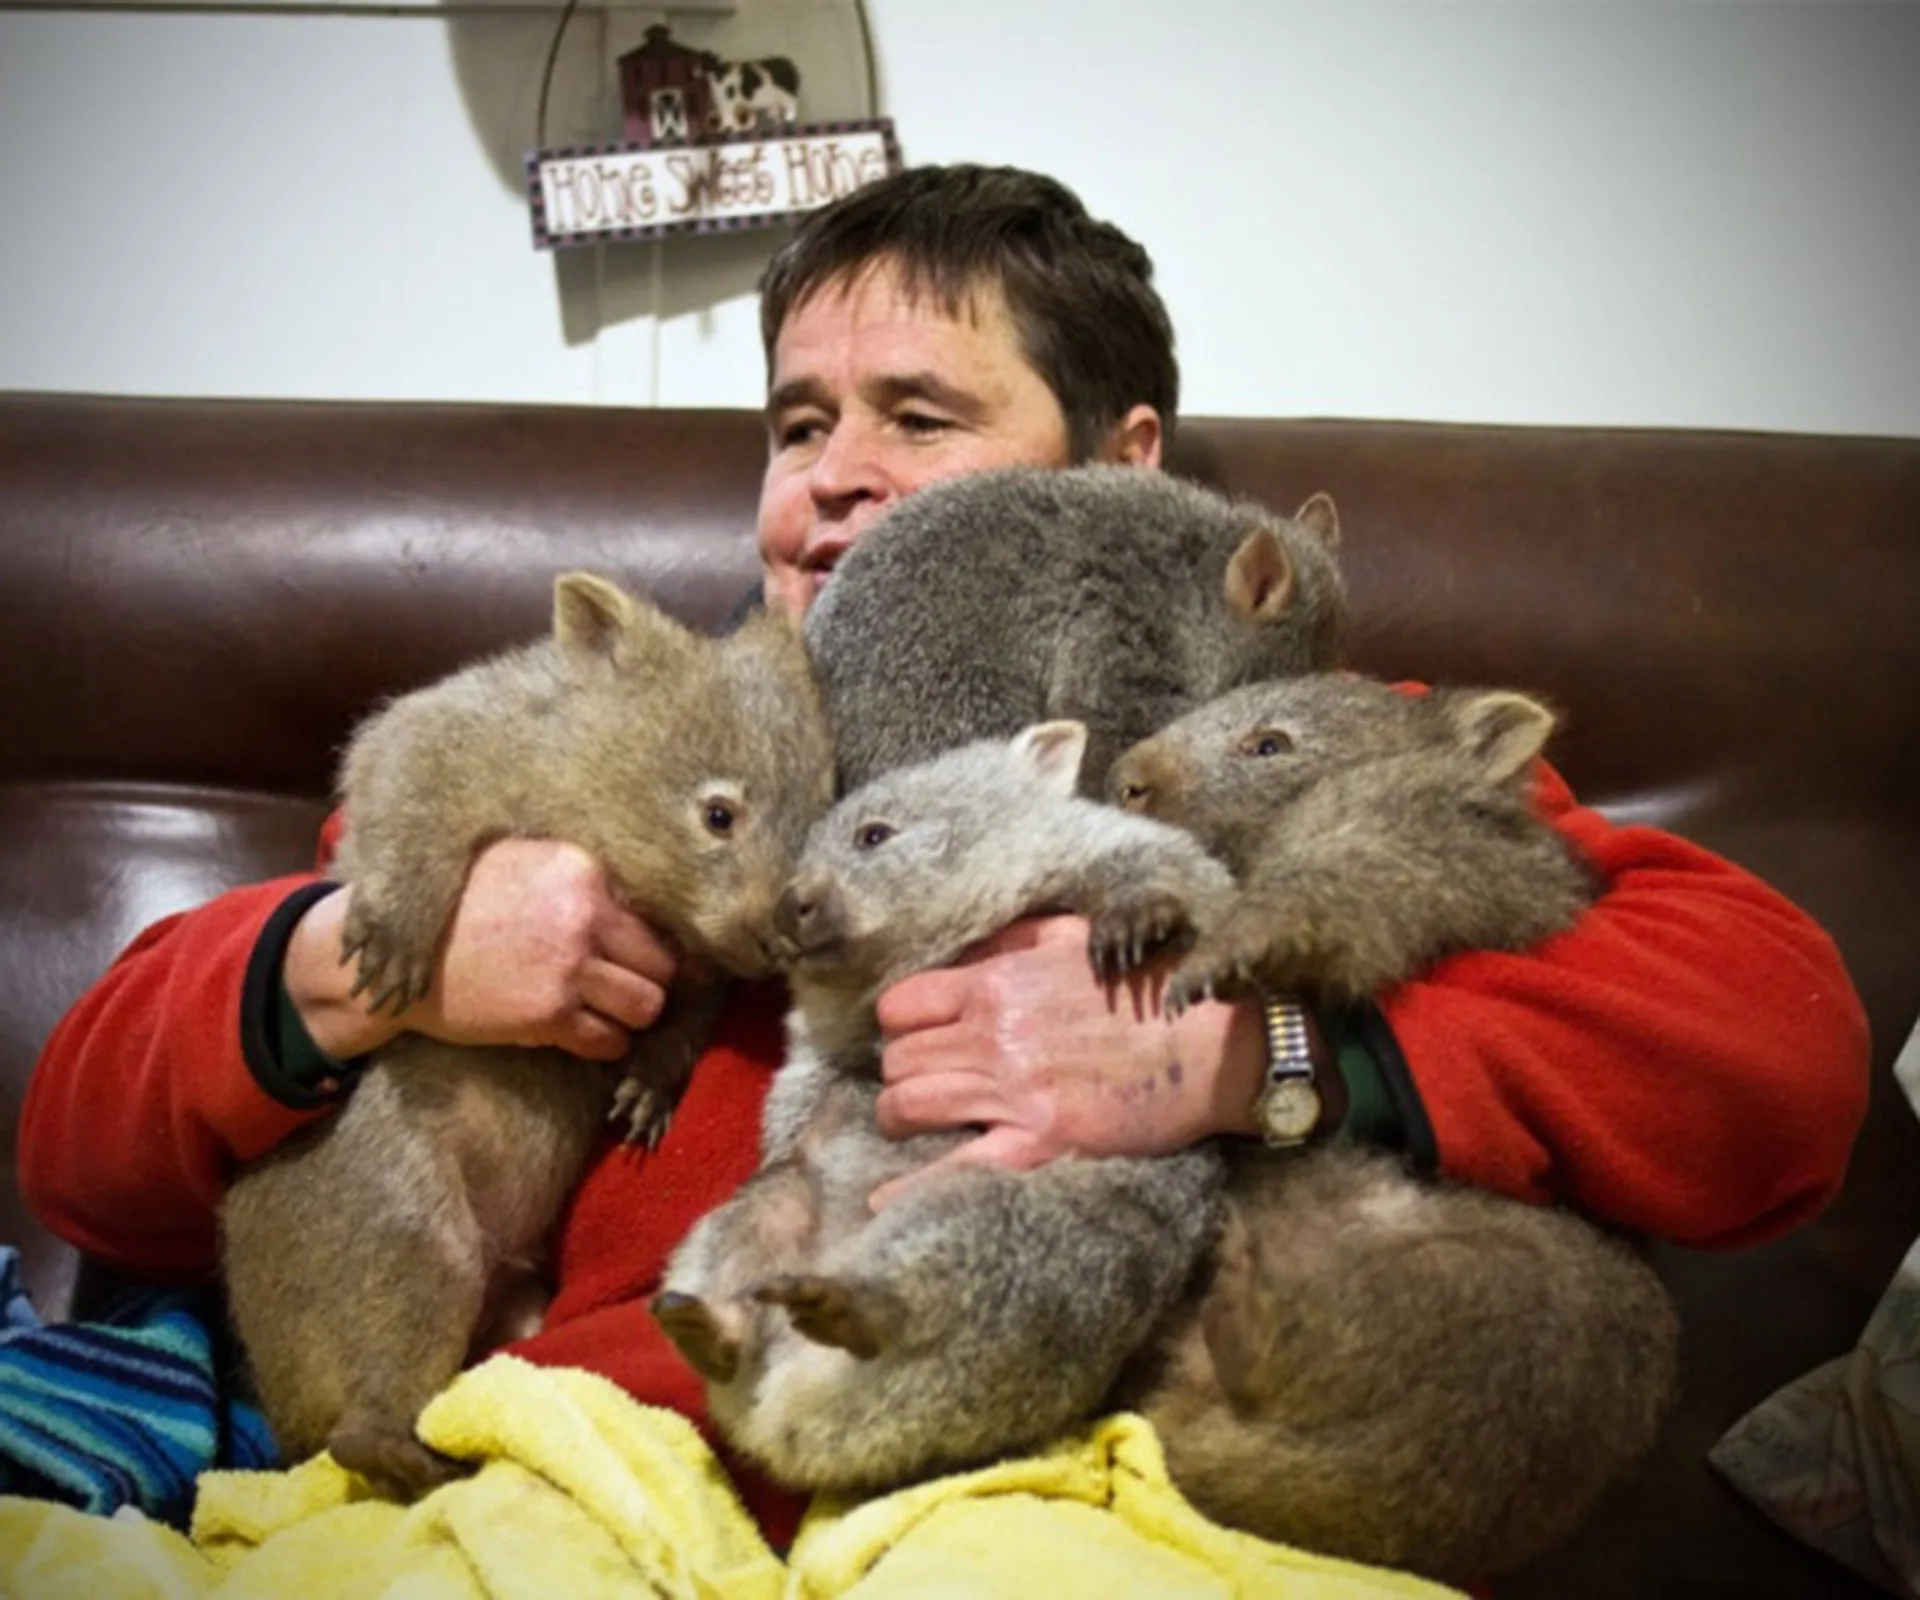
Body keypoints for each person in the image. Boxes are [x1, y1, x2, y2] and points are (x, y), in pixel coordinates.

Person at [17, 164, 1869, 1545]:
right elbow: (86, 1162)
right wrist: (388, 952)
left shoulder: (1270, 741)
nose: (830, 472)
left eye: (920, 416)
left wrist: (1251, 1062)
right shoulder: (659, 734)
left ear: (1118, 478)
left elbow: (1773, 1052)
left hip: (1065, 1495)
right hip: (600, 1479)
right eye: (797, 423)